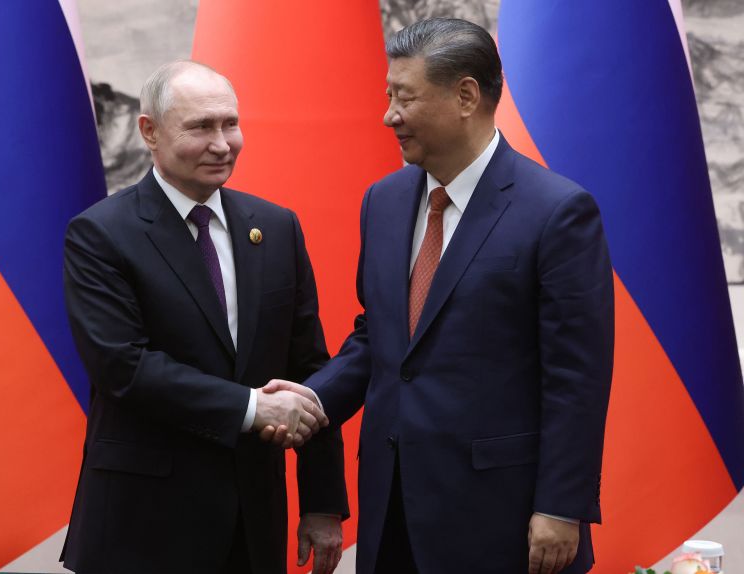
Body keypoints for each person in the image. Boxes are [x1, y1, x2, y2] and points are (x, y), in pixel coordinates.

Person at [263, 18, 614, 574]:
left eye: (405, 97)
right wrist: (312, 399)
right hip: (392, 506)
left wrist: (560, 506)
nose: (389, 115)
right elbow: (380, 337)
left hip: (501, 515)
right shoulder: (383, 201)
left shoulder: (557, 212)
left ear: (466, 96)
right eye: (388, 95)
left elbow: (577, 378)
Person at [60, 60, 348, 574]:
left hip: (253, 524)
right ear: (149, 131)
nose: (222, 144)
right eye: (200, 127)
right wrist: (252, 407)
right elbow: (123, 367)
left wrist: (322, 501)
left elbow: (308, 369)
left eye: (230, 124)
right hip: (144, 526)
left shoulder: (276, 227)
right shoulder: (101, 234)